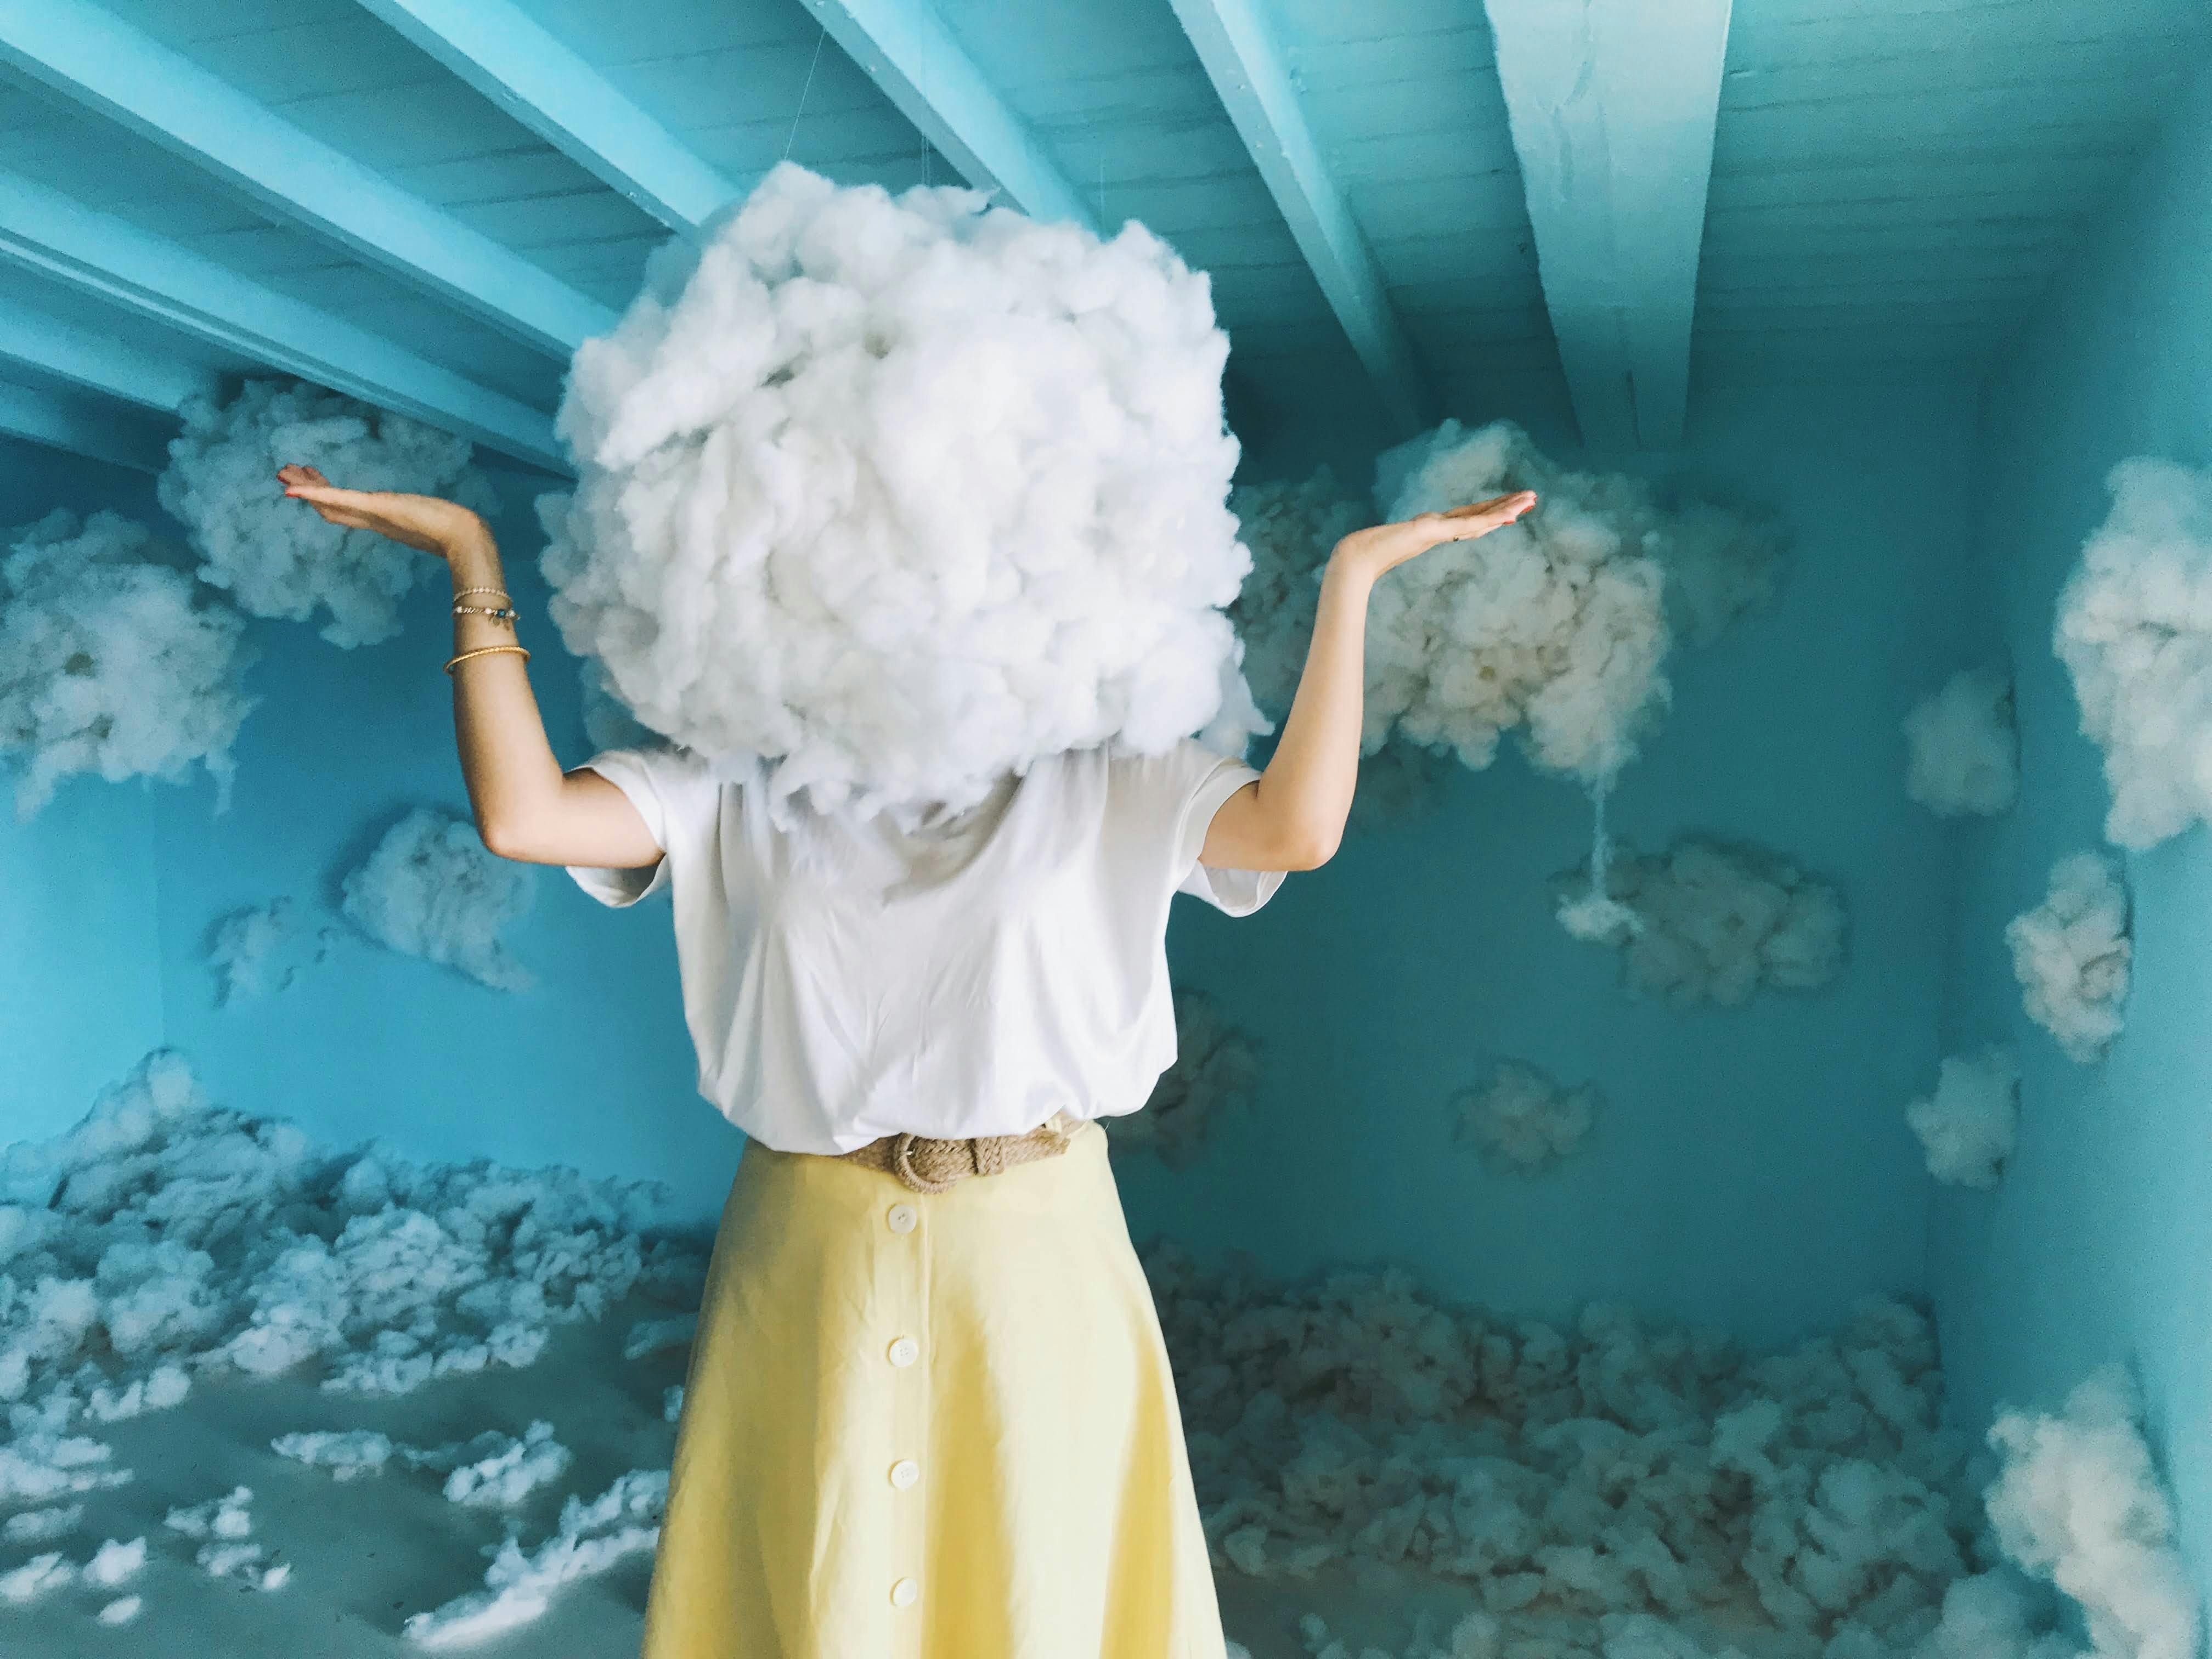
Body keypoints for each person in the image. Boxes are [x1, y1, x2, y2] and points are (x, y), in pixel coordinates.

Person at [279, 459, 1536, 1659]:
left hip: (1036, 1255)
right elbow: (525, 817)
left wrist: (1352, 583)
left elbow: (1294, 831)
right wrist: (473, 561)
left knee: (1037, 1585)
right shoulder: (736, 778)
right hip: (809, 1252)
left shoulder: (1114, 771)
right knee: (819, 1572)